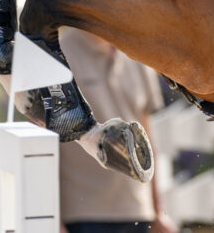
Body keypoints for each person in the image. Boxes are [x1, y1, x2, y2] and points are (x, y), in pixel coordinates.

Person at [59, 28, 176, 233]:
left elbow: (146, 140)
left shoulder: (138, 51)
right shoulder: (58, 51)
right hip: (82, 216)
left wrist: (158, 212)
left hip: (138, 212)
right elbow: (45, 141)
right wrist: (53, 221)